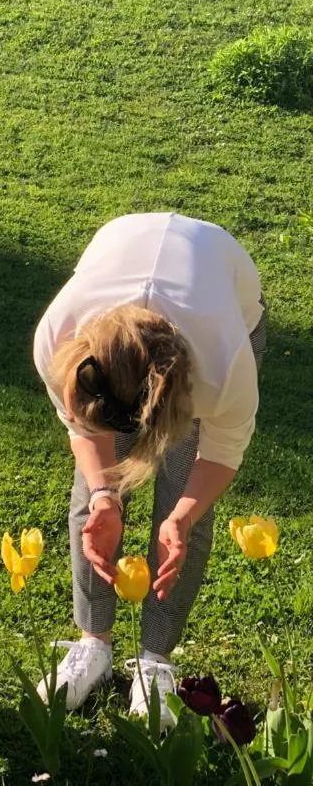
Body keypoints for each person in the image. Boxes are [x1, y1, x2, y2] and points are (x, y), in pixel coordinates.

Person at [33, 213, 265, 726]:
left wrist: (181, 515)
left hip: (221, 283)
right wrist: (104, 496)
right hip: (124, 245)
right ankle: (92, 644)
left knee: (186, 498)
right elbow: (85, 431)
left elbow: (222, 452)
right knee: (92, 501)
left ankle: (155, 658)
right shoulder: (60, 339)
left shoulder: (223, 367)